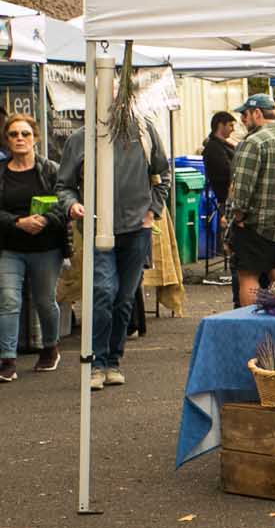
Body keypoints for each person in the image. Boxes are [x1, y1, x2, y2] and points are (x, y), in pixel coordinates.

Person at [56, 107, 171, 390]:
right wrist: (72, 205)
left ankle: (113, 361)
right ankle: (96, 362)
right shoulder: (81, 139)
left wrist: (152, 211)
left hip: (136, 231)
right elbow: (64, 185)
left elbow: (164, 175)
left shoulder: (143, 133)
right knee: (103, 292)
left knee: (124, 299)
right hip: (97, 229)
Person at [224, 93, 275, 309]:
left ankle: (249, 327)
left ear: (257, 113)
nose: (243, 120)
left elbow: (240, 188)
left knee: (248, 276)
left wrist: (238, 217)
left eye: (245, 114)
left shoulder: (253, 142)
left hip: (258, 226)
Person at [1, 114, 69, 381]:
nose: (20, 139)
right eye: (14, 134)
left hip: (46, 248)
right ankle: (7, 360)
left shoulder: (51, 170)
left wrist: (44, 220)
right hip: (9, 248)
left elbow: (65, 204)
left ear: (35, 138)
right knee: (7, 300)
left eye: (25, 134)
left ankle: (50, 348)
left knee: (44, 301)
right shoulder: (2, 172)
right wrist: (18, 221)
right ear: (7, 140)